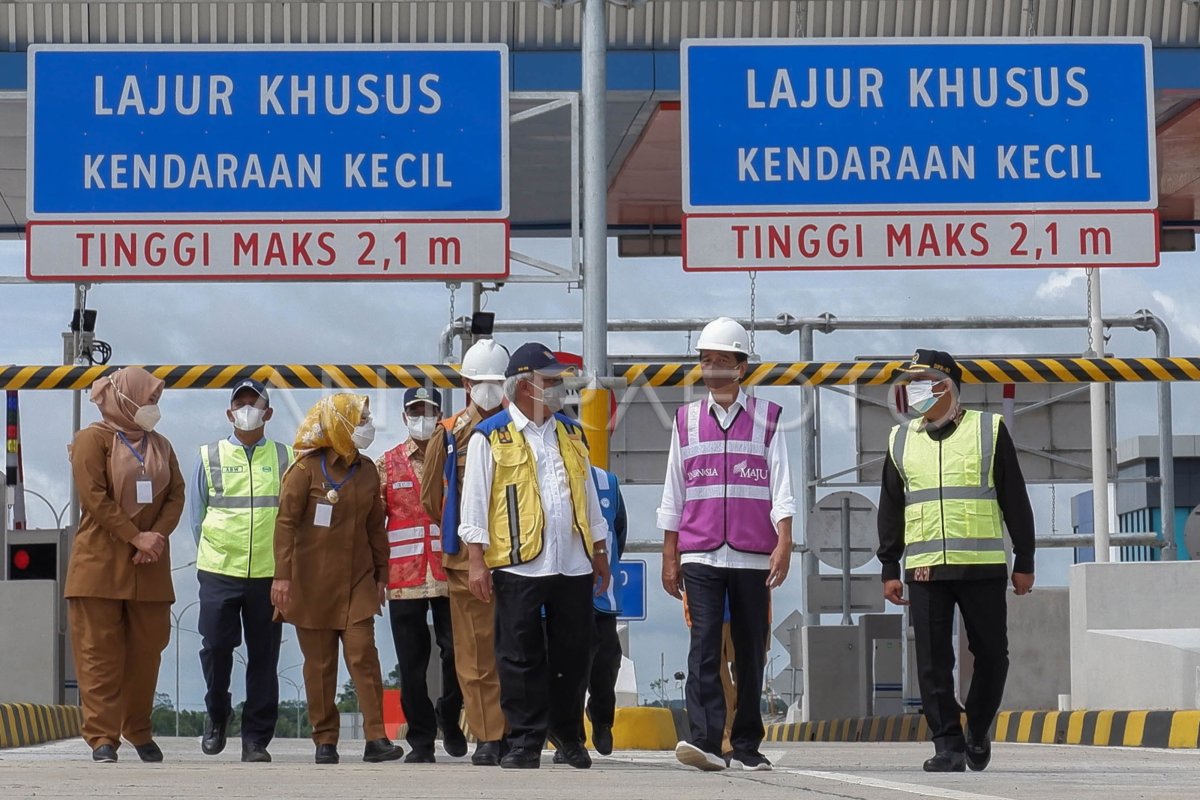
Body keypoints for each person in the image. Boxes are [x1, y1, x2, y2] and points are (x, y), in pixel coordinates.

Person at [877, 349, 1036, 773]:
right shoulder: (901, 440)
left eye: (921, 381)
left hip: (981, 566)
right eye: (910, 382)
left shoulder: (988, 429)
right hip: (926, 568)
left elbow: (1014, 498)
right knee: (932, 663)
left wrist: (1025, 558)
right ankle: (947, 743)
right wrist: (889, 567)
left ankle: (977, 727)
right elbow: (891, 507)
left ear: (946, 385)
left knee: (992, 656)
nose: (913, 391)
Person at [459, 343, 611, 770]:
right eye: (550, 379)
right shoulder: (491, 435)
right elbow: (474, 502)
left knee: (574, 654)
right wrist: (476, 560)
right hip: (518, 561)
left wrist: (599, 549)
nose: (559, 385)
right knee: (518, 655)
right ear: (524, 384)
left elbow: (587, 496)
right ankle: (524, 740)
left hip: (573, 562)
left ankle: (567, 735)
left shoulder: (572, 432)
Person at [658, 317, 795, 773]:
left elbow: (782, 487)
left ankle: (748, 744)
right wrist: (669, 556)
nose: (712, 368)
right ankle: (706, 741)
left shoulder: (769, 418)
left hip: (753, 554)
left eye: (721, 360)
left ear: (741, 367)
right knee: (703, 646)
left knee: (752, 650)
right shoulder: (685, 420)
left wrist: (785, 541)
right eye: (705, 360)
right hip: (700, 553)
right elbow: (673, 492)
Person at [271, 394, 403, 765]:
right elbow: (284, 525)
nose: (368, 426)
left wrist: (382, 574)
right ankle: (325, 740)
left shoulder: (367, 471)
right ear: (340, 425)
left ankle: (376, 738)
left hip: (357, 581)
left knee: (363, 655)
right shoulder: (304, 471)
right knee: (320, 665)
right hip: (310, 584)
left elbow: (376, 527)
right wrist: (282, 577)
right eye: (360, 419)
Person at [65, 367, 186, 764]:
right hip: (100, 565)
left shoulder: (162, 446)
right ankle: (103, 737)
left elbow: (176, 495)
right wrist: (136, 536)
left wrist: (156, 538)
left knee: (147, 653)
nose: (154, 407)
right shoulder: (91, 440)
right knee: (99, 654)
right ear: (126, 399)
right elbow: (94, 498)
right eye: (149, 399)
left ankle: (139, 728)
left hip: (148, 566)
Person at [191, 379, 292, 763]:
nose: (247, 409)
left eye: (255, 403)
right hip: (219, 569)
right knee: (216, 647)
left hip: (269, 573)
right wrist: (215, 553)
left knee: (264, 657)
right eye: (241, 403)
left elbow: (290, 518)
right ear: (229, 412)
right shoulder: (209, 455)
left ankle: (256, 739)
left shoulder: (285, 457)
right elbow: (196, 519)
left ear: (268, 413)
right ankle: (217, 714)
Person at [420, 338, 511, 766]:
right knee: (474, 655)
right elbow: (429, 497)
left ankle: (517, 730)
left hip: (519, 558)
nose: (488, 388)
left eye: (496, 381)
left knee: (516, 650)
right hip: (464, 562)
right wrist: (462, 532)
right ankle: (488, 735)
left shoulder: (520, 427)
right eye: (481, 381)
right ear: (466, 382)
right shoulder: (450, 431)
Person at [376, 387, 466, 763]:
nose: (423, 417)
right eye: (416, 411)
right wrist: (376, 574)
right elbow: (374, 524)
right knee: (411, 665)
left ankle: (450, 711)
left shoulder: (455, 459)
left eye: (429, 410)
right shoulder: (387, 464)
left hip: (450, 574)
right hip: (404, 579)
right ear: (404, 417)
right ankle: (422, 740)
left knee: (457, 654)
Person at [554, 464, 627, 761]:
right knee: (568, 668)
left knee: (607, 661)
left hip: (600, 593)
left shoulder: (608, 482)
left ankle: (601, 717)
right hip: (561, 589)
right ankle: (569, 738)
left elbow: (618, 533)